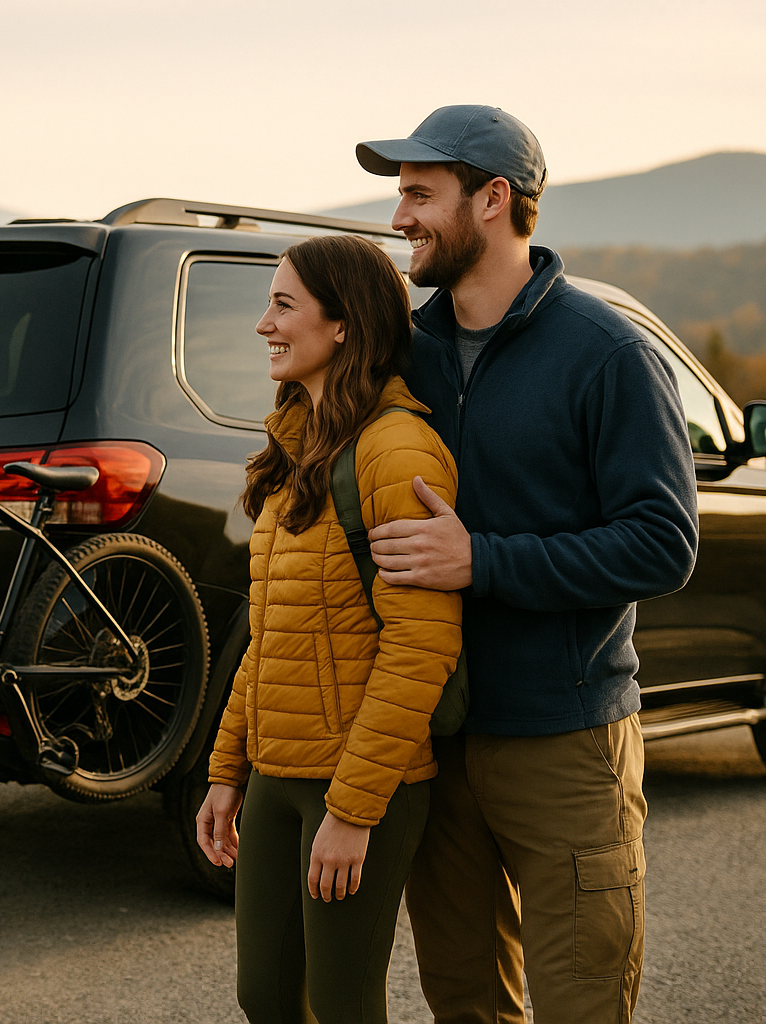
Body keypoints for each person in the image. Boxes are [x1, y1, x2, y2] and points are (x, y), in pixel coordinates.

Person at [356, 106, 699, 1022]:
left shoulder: (608, 353)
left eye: (420, 194)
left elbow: (663, 543)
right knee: (464, 1002)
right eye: (401, 195)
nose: (400, 216)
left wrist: (482, 561)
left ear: (493, 199)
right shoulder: (406, 353)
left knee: (583, 1002)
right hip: (436, 737)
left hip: (564, 741)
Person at [195, 233, 463, 1024]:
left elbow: (420, 648)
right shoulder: (294, 449)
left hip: (362, 780)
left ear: (344, 323)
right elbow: (271, 636)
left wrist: (352, 810)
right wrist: (226, 769)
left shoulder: (397, 452)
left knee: (344, 1004)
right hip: (277, 770)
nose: (264, 325)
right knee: (267, 997)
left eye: (284, 305)